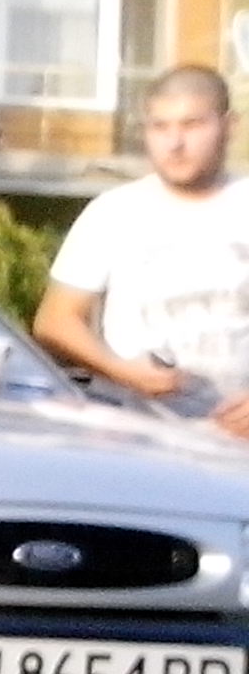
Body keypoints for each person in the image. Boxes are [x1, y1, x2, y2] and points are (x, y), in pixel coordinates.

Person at [34, 65, 249, 440]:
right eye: (160, 127)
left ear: (229, 126)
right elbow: (55, 320)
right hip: (134, 436)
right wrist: (121, 371)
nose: (174, 143)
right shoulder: (112, 212)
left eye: (192, 125)